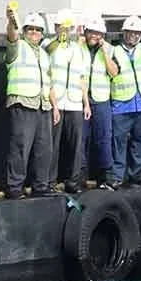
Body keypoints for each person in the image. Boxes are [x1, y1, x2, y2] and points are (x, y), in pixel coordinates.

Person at [4, 9, 55, 199]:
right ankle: (14, 187)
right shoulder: (17, 46)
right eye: (30, 29)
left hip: (43, 105)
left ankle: (40, 186)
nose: (34, 32)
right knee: (20, 147)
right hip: (23, 103)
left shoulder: (44, 54)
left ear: (42, 34)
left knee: (44, 149)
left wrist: (54, 106)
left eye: (38, 29)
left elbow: (49, 81)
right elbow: (12, 36)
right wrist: (12, 21)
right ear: (24, 31)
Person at [45, 10, 90, 194]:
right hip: (56, 101)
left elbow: (82, 77)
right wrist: (54, 104)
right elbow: (47, 72)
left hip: (74, 102)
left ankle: (73, 181)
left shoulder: (79, 49)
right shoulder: (49, 45)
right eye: (61, 27)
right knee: (52, 144)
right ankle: (50, 181)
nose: (65, 31)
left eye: (67, 28)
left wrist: (86, 103)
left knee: (75, 145)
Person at [108, 16, 141, 188]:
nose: (133, 36)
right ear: (124, 33)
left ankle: (137, 174)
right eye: (130, 32)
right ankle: (117, 176)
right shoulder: (113, 51)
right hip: (122, 105)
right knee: (118, 142)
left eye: (137, 33)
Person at [77, 18, 118, 188]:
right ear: (85, 32)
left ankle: (105, 176)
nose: (94, 36)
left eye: (98, 33)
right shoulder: (78, 48)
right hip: (81, 100)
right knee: (81, 140)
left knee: (103, 139)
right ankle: (80, 176)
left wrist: (104, 53)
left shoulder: (110, 49)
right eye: (91, 32)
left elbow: (114, 72)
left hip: (101, 100)